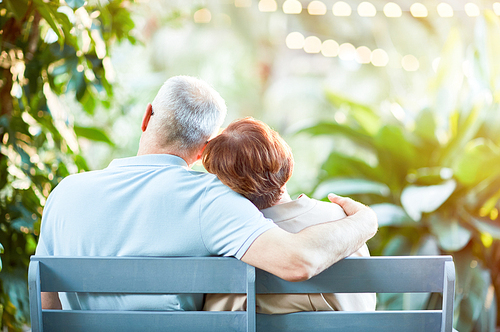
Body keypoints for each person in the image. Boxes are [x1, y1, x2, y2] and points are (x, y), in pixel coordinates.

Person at [36, 76, 378, 311]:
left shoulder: (64, 193)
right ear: (204, 150)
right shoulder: (210, 198)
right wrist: (365, 220)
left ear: (146, 116)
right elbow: (297, 260)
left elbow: (45, 301)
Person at [202, 117, 376, 313]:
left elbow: (218, 316)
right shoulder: (345, 219)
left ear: (226, 185)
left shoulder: (233, 240)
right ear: (287, 162)